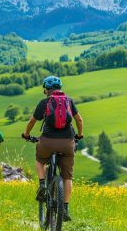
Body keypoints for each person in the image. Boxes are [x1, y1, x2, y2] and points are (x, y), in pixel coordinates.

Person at [21, 76, 84, 221]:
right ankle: (65, 208)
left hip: (47, 141)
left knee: (40, 160)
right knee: (67, 177)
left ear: (46, 90)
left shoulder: (44, 102)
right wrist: (79, 135)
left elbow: (32, 121)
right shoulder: (68, 101)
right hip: (67, 142)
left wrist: (26, 134)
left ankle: (42, 183)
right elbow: (79, 120)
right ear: (60, 88)